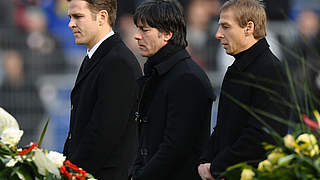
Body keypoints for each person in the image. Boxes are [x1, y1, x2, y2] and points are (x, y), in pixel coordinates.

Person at [198, 0, 290, 179]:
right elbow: (222, 128)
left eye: (225, 26)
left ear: (249, 27)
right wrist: (205, 161)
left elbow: (262, 136)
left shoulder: (269, 70)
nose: (218, 34)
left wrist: (217, 166)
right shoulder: (237, 69)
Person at [129, 1, 215, 180]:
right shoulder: (159, 73)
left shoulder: (187, 78)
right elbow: (144, 141)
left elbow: (175, 147)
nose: (136, 36)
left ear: (167, 34)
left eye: (144, 30)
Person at [63, 0, 142, 179]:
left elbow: (103, 134)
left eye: (78, 16)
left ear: (102, 17)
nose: (71, 24)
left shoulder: (117, 62)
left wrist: (71, 173)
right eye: (70, 17)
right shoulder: (97, 57)